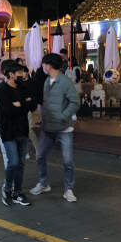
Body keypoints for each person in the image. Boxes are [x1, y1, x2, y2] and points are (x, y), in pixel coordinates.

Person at [29, 53, 80, 202]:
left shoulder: (65, 82)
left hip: (64, 129)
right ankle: (44, 183)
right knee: (40, 155)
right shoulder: (47, 81)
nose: (42, 67)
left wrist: (63, 116)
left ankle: (69, 189)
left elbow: (75, 102)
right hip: (48, 127)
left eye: (44, 64)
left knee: (68, 161)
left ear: (49, 66)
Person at [0, 63, 36, 206]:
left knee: (21, 163)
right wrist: (23, 104)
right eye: (19, 72)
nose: (22, 74)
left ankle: (18, 192)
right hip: (8, 131)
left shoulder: (23, 88)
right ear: (11, 74)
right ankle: (7, 189)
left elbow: (33, 105)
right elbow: (8, 109)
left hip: (22, 130)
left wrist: (19, 104)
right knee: (13, 162)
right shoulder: (1, 90)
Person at [22, 66, 40, 158]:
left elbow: (35, 96)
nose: (21, 74)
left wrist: (30, 100)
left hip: (28, 109)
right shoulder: (19, 83)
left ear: (26, 73)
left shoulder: (32, 83)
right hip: (21, 109)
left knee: (28, 130)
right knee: (24, 131)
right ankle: (26, 152)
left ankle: (38, 150)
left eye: (23, 72)